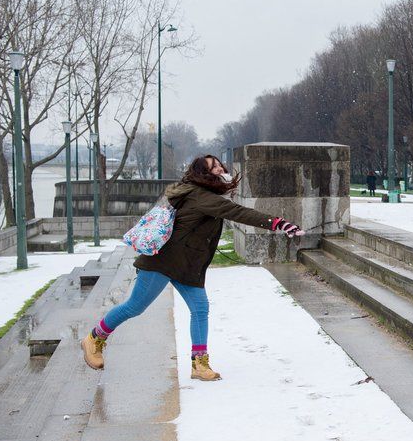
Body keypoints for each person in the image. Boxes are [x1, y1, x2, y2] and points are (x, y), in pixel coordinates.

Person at [81, 155, 304, 380]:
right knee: (135, 307)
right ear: (203, 175)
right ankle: (94, 338)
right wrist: (278, 223)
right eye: (213, 167)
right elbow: (239, 213)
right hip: (164, 262)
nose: (220, 169)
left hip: (185, 265)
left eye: (219, 164)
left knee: (200, 308)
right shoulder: (202, 197)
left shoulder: (201, 193)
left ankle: (199, 364)